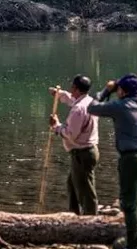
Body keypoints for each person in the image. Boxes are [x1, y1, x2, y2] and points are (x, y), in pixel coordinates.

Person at [88, 74, 137, 249]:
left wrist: (107, 90)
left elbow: (92, 107)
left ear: (122, 91)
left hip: (132, 158)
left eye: (119, 89)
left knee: (130, 202)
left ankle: (134, 243)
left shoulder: (119, 106)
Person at [48, 75, 99, 215]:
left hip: (82, 153)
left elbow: (71, 134)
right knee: (73, 185)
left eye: (72, 87)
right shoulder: (90, 101)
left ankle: (91, 219)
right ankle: (74, 215)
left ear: (75, 88)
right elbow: (73, 100)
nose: (70, 90)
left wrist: (56, 126)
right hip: (87, 152)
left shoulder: (78, 110)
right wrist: (59, 95)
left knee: (85, 190)